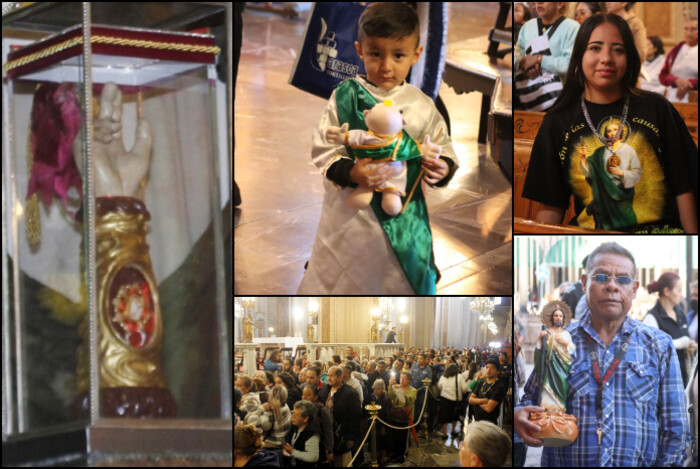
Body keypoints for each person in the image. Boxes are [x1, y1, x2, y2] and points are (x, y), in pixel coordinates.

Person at [297, 2, 458, 295]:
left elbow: (442, 145)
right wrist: (350, 171)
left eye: (398, 55)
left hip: (402, 220)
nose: (386, 66)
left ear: (416, 54)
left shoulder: (422, 106)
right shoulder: (345, 96)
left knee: (393, 286)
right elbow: (324, 147)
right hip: (348, 222)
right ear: (359, 50)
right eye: (375, 54)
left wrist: (443, 166)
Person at [514, 241, 690, 466]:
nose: (612, 286)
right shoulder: (558, 343)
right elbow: (530, 401)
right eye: (601, 277)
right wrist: (520, 414)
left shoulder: (658, 345)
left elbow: (675, 429)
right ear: (585, 282)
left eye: (623, 279)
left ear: (634, 289)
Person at [522, 14, 698, 233]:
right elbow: (551, 206)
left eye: (618, 49)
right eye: (595, 48)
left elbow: (684, 188)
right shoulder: (557, 122)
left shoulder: (657, 108)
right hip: (594, 238)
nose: (606, 58)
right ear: (579, 56)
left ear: (630, 58)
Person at [515, 2, 580, 111]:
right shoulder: (528, 26)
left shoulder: (572, 28)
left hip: (559, 103)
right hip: (525, 99)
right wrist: (522, 63)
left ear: (560, 3)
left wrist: (539, 59)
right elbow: (515, 55)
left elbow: (570, 65)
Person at [643, 272, 697, 386]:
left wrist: (689, 344)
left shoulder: (680, 313)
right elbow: (651, 348)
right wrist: (679, 343)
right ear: (667, 291)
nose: (681, 295)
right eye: (679, 290)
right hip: (663, 382)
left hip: (682, 379)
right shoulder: (652, 317)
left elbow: (685, 338)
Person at [325, 366, 360, 467]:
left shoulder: (350, 393)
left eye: (332, 376)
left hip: (343, 435)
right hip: (328, 435)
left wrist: (351, 438)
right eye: (328, 375)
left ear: (340, 376)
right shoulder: (325, 389)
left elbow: (355, 417)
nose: (329, 378)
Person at [659, 18, 698, 102]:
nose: (688, 32)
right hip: (673, 96)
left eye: (693, 29)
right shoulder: (676, 50)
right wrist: (676, 81)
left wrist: (689, 83)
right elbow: (662, 76)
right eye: (686, 29)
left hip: (695, 97)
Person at [282, 401, 320, 466]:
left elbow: (313, 457)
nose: (292, 417)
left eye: (295, 415)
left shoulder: (312, 434)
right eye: (292, 413)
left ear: (305, 419)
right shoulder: (296, 426)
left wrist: (292, 452)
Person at [469, 358, 506, 426]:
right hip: (477, 422)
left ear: (497, 371)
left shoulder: (499, 386)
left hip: (489, 424)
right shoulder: (481, 383)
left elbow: (489, 408)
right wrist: (484, 400)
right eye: (487, 367)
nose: (488, 370)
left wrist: (476, 401)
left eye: (492, 368)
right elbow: (470, 400)